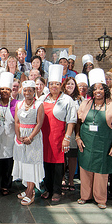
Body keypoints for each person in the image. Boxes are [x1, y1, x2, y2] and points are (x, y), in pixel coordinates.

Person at [73, 69, 112, 209]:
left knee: (101, 172)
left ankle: (101, 199)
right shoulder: (85, 104)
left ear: (106, 90)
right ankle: (85, 196)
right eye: (95, 89)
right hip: (86, 142)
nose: (98, 91)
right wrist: (77, 137)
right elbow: (78, 122)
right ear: (91, 91)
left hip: (104, 144)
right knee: (85, 170)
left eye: (101, 88)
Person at [40, 64, 77, 202]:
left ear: (61, 85)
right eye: (51, 84)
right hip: (44, 137)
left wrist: (67, 138)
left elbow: (72, 120)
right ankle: (48, 189)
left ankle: (56, 190)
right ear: (48, 85)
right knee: (46, 163)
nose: (54, 86)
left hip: (59, 137)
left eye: (57, 84)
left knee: (57, 164)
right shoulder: (43, 98)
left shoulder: (67, 100)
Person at [13, 80, 45, 206]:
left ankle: (31, 193)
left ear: (34, 91)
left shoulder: (39, 104)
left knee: (31, 164)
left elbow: (39, 123)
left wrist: (30, 137)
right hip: (21, 137)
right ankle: (27, 189)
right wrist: (18, 135)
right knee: (24, 163)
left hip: (33, 138)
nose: (27, 93)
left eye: (30, 90)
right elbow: (16, 121)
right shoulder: (19, 104)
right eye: (25, 90)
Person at [0, 72, 17, 196]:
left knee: (8, 163)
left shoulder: (16, 104)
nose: (4, 91)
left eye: (7, 89)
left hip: (10, 138)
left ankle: (6, 185)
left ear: (11, 91)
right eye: (2, 89)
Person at [61, 77, 81, 191]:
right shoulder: (61, 98)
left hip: (74, 131)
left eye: (72, 84)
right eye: (68, 84)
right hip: (62, 129)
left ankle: (71, 180)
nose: (70, 86)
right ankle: (63, 177)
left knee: (72, 157)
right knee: (62, 157)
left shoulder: (79, 99)